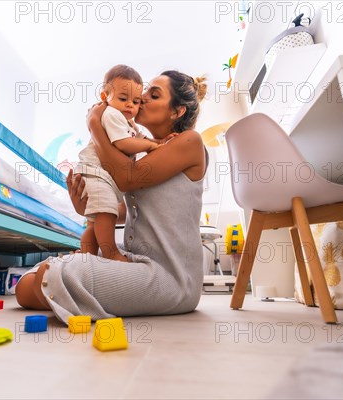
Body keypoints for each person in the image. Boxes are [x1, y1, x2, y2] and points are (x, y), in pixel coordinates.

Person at [16, 70, 208, 322]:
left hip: (171, 278)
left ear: (176, 111)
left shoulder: (189, 141)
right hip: (135, 262)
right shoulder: (144, 151)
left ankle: (68, 277)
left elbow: (125, 178)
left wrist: (95, 123)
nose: (143, 98)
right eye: (145, 92)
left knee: (42, 280)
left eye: (154, 94)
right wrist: (89, 207)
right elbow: (133, 212)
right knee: (25, 285)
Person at [77, 65, 169, 262]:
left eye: (136, 101)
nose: (131, 105)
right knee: (106, 213)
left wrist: (157, 142)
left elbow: (139, 136)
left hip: (103, 177)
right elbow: (124, 143)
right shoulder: (111, 114)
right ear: (105, 97)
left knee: (94, 223)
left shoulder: (127, 122)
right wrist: (151, 146)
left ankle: (86, 256)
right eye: (122, 99)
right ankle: (110, 253)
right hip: (96, 173)